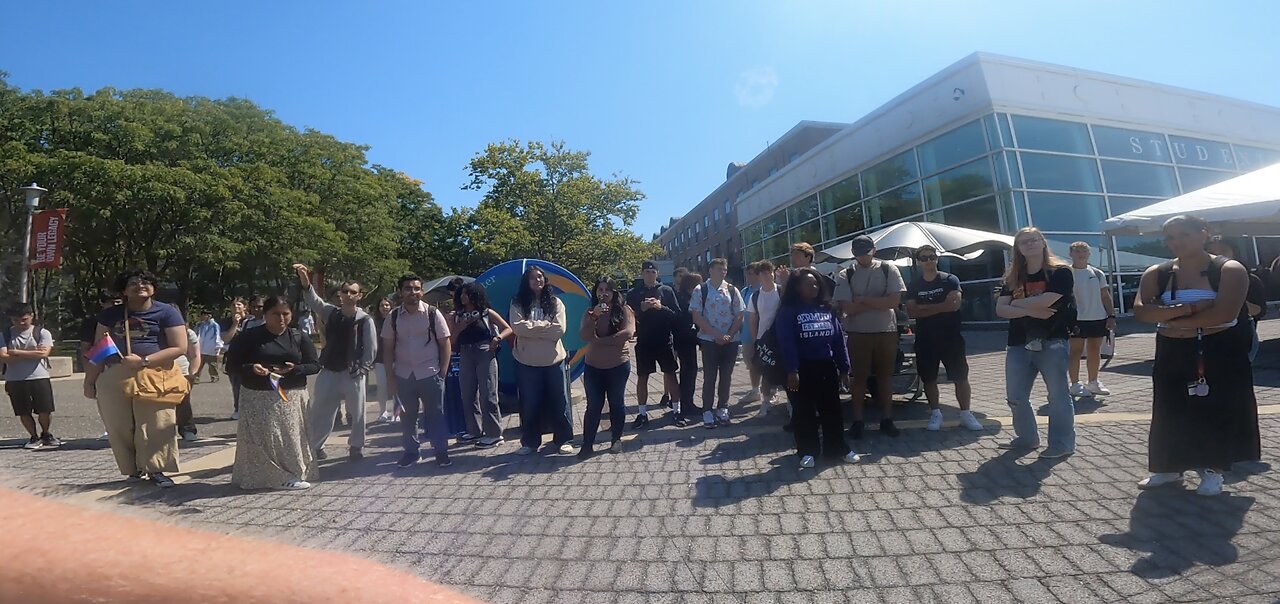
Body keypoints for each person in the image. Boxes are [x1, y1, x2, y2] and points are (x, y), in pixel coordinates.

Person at [1133, 216, 1260, 496]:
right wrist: (1193, 310)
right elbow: (1142, 312)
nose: (1176, 242)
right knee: (1169, 408)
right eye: (1170, 237)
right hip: (1170, 350)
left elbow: (1224, 314)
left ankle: (1213, 469)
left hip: (1218, 349)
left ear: (1204, 233)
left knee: (1215, 408)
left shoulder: (1228, 269)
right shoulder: (1158, 272)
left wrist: (1168, 316)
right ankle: (1168, 467)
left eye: (1184, 234)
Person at [84, 270, 187, 488]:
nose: (140, 285)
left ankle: (157, 468)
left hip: (155, 374)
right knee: (119, 425)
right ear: (124, 290)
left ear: (154, 288)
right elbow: (99, 348)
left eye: (146, 282)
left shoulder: (167, 312)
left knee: (158, 423)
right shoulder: (111, 315)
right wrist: (90, 381)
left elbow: (180, 347)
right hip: (115, 375)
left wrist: (144, 361)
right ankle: (132, 469)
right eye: (133, 283)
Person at [224, 295, 322, 490]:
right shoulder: (248, 337)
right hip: (258, 396)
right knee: (262, 440)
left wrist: (294, 369)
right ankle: (261, 476)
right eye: (275, 314)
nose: (281, 319)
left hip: (291, 396)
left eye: (285, 314)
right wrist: (251, 368)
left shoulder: (298, 336)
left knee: (289, 438)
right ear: (265, 315)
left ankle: (292, 473)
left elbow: (314, 365)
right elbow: (232, 366)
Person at [995, 227, 1077, 459]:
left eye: (1033, 240)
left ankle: (1062, 444)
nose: (1029, 245)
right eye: (1024, 242)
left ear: (1042, 242)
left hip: (1053, 341)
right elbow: (1000, 310)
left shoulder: (1060, 272)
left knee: (1058, 396)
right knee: (1015, 395)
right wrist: (1034, 307)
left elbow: (1049, 301)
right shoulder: (1013, 277)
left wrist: (1017, 305)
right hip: (1018, 343)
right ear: (1018, 249)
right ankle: (1027, 438)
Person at [776, 268, 859, 469]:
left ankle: (836, 447)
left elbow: (838, 340)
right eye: (808, 284)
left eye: (816, 284)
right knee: (804, 412)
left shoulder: (826, 308)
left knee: (832, 410)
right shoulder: (788, 310)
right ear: (797, 287)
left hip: (826, 366)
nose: (814, 287)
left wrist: (844, 368)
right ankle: (807, 450)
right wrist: (792, 370)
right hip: (801, 369)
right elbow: (787, 342)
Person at [294, 264, 378, 462]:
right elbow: (313, 300)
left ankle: (356, 447)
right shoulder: (331, 312)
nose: (349, 295)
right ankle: (316, 446)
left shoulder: (365, 320)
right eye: (345, 291)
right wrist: (304, 278)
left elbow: (371, 349)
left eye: (353, 292)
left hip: (353, 372)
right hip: (330, 369)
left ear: (360, 295)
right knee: (321, 410)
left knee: (357, 414)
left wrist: (362, 369)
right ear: (340, 294)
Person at [834, 235, 907, 440]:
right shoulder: (845, 274)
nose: (863, 256)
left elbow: (893, 301)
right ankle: (858, 421)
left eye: (866, 252)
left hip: (886, 331)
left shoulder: (888, 268)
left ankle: (887, 419)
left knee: (885, 378)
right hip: (858, 333)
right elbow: (847, 307)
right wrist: (878, 301)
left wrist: (864, 300)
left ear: (874, 250)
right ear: (853, 253)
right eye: (858, 253)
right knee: (858, 379)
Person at [905, 245, 983, 432]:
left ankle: (965, 413)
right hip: (925, 339)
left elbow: (954, 305)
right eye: (924, 258)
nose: (928, 260)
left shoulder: (950, 279)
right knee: (929, 378)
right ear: (918, 261)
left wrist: (925, 308)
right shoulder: (915, 284)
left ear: (937, 258)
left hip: (951, 337)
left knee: (960, 376)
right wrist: (940, 306)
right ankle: (936, 413)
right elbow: (912, 311)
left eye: (931, 257)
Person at [384, 275, 454, 468]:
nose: (412, 292)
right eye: (407, 288)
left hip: (430, 372)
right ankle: (412, 452)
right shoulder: (394, 316)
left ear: (422, 291)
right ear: (400, 292)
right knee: (407, 417)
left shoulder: (433, 313)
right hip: (404, 374)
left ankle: (441, 451)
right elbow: (388, 348)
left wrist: (442, 372)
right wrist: (390, 378)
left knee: (436, 415)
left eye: (416, 288)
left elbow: (445, 343)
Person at [509, 266, 576, 456]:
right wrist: (545, 326)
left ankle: (563, 440)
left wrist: (531, 329)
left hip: (555, 361)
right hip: (526, 362)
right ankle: (530, 443)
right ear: (526, 281)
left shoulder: (556, 303)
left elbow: (559, 329)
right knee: (530, 403)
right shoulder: (517, 303)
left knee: (560, 401)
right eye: (532, 278)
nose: (537, 280)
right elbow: (517, 328)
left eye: (540, 277)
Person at [578, 276, 636, 459]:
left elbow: (628, 333)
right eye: (600, 290)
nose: (603, 294)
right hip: (593, 366)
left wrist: (601, 341)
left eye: (607, 290)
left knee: (616, 402)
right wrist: (594, 317)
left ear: (613, 293)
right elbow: (585, 335)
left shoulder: (624, 310)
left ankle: (616, 439)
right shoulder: (590, 312)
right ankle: (587, 445)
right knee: (593, 405)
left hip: (618, 365)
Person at [450, 282, 512, 449]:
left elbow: (507, 328)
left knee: (488, 393)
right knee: (468, 394)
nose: (463, 297)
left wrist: (497, 339)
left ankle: (494, 434)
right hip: (465, 354)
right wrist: (459, 326)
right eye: (461, 294)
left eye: (467, 293)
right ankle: (474, 430)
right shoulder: (457, 315)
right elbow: (451, 340)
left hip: (484, 352)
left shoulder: (486, 312)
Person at [625, 261, 682, 428]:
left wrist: (660, 307)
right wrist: (641, 309)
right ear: (642, 274)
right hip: (644, 342)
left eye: (652, 271)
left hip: (664, 340)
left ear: (657, 273)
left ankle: (676, 411)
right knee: (642, 377)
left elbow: (677, 316)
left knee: (671, 374)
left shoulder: (666, 290)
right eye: (647, 271)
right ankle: (642, 414)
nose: (650, 274)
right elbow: (628, 319)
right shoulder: (634, 293)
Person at [689, 257, 745, 429]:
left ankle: (723, 407)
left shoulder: (732, 290)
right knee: (710, 376)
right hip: (709, 340)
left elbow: (740, 315)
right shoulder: (701, 290)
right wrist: (716, 335)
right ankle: (707, 410)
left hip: (731, 340)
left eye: (724, 269)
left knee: (726, 376)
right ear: (711, 270)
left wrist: (728, 335)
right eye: (719, 269)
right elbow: (696, 316)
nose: (723, 272)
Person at [2, 303, 59, 450]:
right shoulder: (5, 335)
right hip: (15, 378)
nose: (21, 323)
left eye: (24, 319)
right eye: (16, 320)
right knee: (23, 410)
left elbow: (43, 353)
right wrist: (32, 353)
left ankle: (46, 433)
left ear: (31, 316)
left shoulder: (42, 332)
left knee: (45, 409)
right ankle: (33, 436)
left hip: (39, 376)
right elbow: (4, 356)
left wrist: (17, 352)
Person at [1205, 236, 1267, 362]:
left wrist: (1236, 297)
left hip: (1239, 338)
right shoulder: (1196, 279)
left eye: (1223, 251)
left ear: (1234, 252)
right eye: (1211, 252)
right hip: (1204, 338)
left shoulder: (1250, 279)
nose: (1218, 255)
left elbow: (1259, 312)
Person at [1066, 242, 1116, 398]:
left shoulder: (1097, 273)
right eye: (1077, 251)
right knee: (1075, 351)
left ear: (1089, 254)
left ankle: (1093, 382)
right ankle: (1074, 384)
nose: (1081, 253)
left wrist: (1111, 315)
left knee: (1095, 350)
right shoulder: (1066, 273)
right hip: (1076, 319)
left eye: (1084, 251)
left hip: (1097, 317)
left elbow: (1105, 296)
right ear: (1071, 254)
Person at [80, 293, 120, 440]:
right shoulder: (92, 321)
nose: (115, 305)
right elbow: (86, 347)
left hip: (123, 364)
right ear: (102, 304)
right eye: (111, 302)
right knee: (105, 400)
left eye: (118, 301)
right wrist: (89, 370)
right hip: (101, 364)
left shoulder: (128, 318)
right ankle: (109, 429)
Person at [220, 296, 265, 421]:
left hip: (255, 357)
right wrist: (235, 323)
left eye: (239, 305)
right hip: (234, 356)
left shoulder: (253, 319)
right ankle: (238, 408)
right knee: (237, 385)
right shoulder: (226, 322)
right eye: (233, 305)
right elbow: (226, 339)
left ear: (245, 307)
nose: (236, 307)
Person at [746, 260, 781, 418]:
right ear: (759, 276)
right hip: (764, 340)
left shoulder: (781, 292)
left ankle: (791, 404)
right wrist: (756, 340)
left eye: (770, 272)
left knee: (786, 372)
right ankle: (765, 403)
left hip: (782, 339)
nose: (768, 275)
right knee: (766, 373)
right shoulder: (755, 296)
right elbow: (752, 320)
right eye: (764, 273)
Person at [672, 269, 703, 423]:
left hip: (686, 341)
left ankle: (687, 402)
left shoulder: (685, 298)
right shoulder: (685, 300)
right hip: (685, 341)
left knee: (689, 371)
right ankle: (687, 404)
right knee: (688, 371)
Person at [369, 297, 399, 423]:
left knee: (397, 386)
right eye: (382, 305)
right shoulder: (373, 322)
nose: (385, 307)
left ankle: (397, 413)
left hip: (397, 358)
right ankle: (383, 411)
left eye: (387, 305)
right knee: (382, 386)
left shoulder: (397, 320)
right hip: (380, 359)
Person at [738, 263, 764, 407]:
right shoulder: (745, 291)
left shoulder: (764, 290)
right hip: (747, 335)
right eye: (747, 273)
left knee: (766, 364)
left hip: (763, 335)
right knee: (751, 363)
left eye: (751, 273)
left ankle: (771, 391)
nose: (749, 276)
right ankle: (755, 390)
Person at [174, 324, 202, 441]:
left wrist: (192, 374)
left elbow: (195, 355)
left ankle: (187, 429)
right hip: (159, 370)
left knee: (183, 402)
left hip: (183, 371)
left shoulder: (188, 333)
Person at [193, 310, 223, 383]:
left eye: (204, 315)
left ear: (209, 316)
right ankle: (196, 378)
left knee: (212, 365)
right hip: (201, 348)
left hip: (211, 348)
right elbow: (196, 333)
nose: (202, 317)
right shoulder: (201, 325)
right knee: (199, 364)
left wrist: (218, 346)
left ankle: (214, 376)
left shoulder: (215, 325)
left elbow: (217, 335)